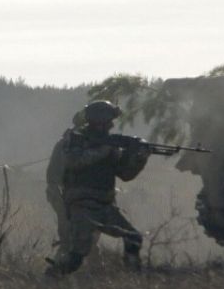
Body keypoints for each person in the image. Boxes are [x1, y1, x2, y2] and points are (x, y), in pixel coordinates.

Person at [46, 100, 150, 276]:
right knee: (76, 256)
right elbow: (74, 162)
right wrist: (104, 150)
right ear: (98, 121)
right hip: (82, 206)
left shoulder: (108, 143)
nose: (110, 125)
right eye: (107, 121)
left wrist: (138, 157)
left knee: (133, 238)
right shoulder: (75, 140)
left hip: (105, 205)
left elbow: (125, 174)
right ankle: (50, 279)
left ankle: (133, 277)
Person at [45, 110, 86, 253]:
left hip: (75, 196)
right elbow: (53, 176)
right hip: (65, 195)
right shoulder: (67, 144)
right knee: (70, 235)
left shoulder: (67, 142)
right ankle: (59, 268)